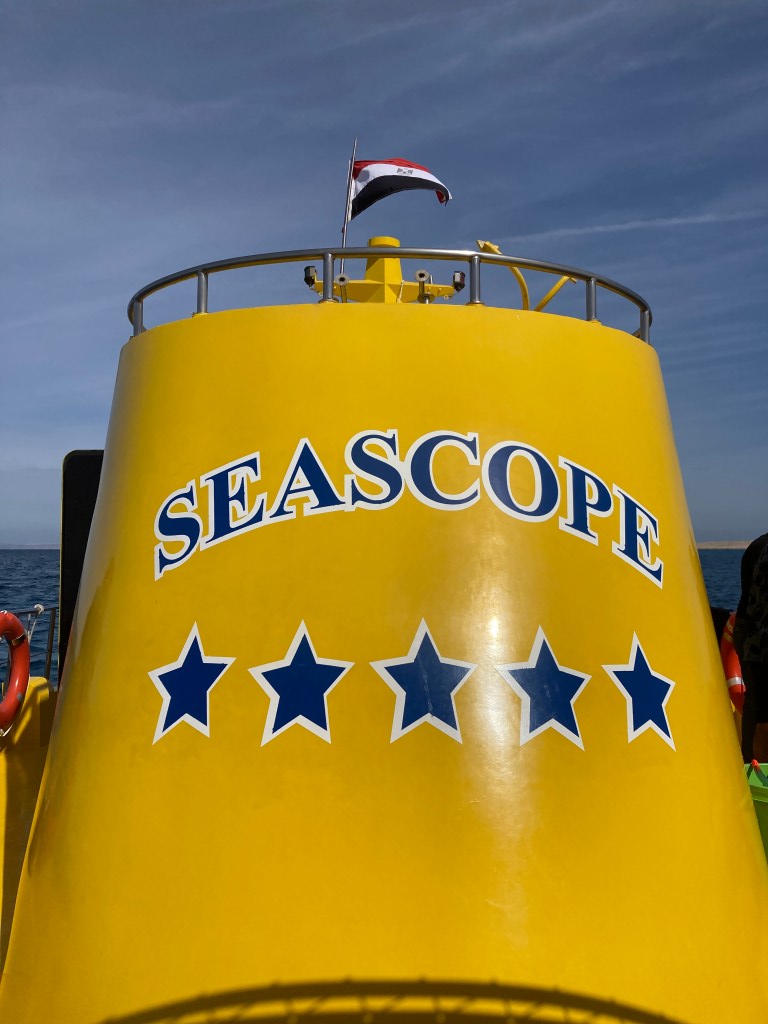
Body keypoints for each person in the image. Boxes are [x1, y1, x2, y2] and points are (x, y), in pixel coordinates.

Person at [733, 533, 768, 762]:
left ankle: (750, 761)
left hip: (749, 634)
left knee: (755, 704)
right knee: (759, 707)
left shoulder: (756, 545)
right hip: (757, 638)